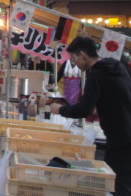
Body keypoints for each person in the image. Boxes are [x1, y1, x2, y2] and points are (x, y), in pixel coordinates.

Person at [51, 37, 131, 196]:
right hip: (125, 132)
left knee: (116, 184)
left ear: (82, 55)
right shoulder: (118, 67)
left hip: (120, 137)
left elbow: (85, 110)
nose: (75, 64)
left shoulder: (96, 74)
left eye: (74, 59)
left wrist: (60, 109)